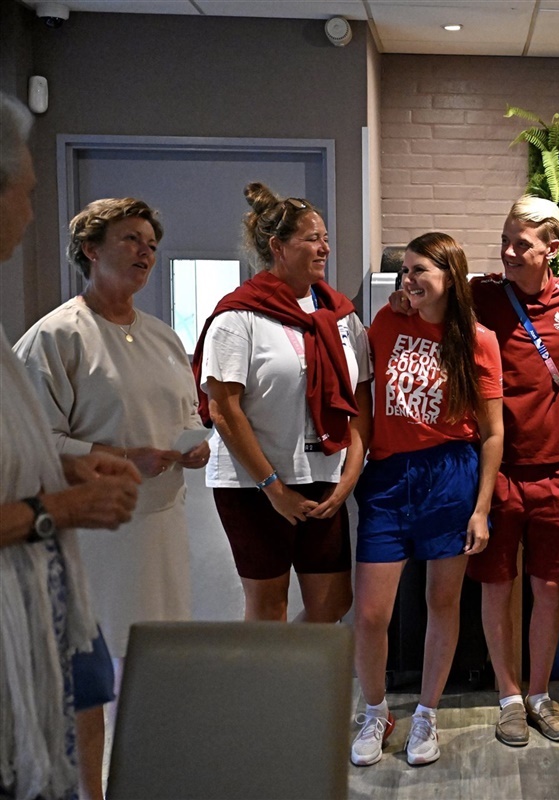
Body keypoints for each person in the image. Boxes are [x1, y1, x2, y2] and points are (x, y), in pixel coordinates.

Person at [13, 197, 209, 799]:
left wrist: (192, 447)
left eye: (151, 242)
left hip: (160, 525)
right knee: (91, 674)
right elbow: (34, 443)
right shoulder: (57, 336)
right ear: (90, 250)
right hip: (94, 532)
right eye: (130, 239)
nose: (146, 251)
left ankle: (144, 781)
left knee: (152, 665)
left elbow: (185, 416)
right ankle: (88, 793)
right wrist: (123, 456)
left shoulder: (164, 337)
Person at [0, 90, 140, 800]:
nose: (31, 214)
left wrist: (67, 463)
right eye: (25, 193)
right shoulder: (55, 333)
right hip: (18, 606)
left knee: (86, 697)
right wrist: (58, 505)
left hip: (48, 591)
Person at [350, 232, 503, 768]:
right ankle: (375, 711)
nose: (409, 280)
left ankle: (426, 713)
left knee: (443, 602)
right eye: (406, 271)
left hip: (450, 476)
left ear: (450, 278)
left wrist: (481, 508)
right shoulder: (387, 322)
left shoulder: (479, 340)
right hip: (389, 477)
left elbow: (492, 432)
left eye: (420, 271)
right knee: (371, 614)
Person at [194, 182, 368, 624]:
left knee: (333, 603)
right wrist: (274, 489)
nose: (324, 248)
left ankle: (290, 666)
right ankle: (270, 670)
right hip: (254, 485)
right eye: (312, 239)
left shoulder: (341, 315)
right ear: (278, 247)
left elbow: (361, 399)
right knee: (269, 607)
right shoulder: (238, 316)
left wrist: (349, 476)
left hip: (323, 476)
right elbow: (224, 410)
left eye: (325, 238)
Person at [462, 196, 559, 747]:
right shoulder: (483, 295)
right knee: (497, 586)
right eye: (505, 241)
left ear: (552, 249)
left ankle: (540, 693)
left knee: (547, 587)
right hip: (496, 472)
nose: (509, 252)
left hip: (555, 469)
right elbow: (430, 304)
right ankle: (509, 697)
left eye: (522, 244)